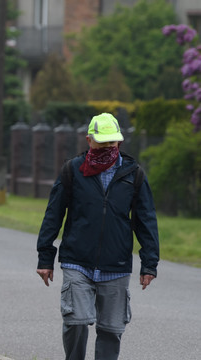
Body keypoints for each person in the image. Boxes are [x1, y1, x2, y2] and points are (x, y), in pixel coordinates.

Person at [36, 113, 159, 360]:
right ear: (89, 140)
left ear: (119, 142)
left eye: (111, 143)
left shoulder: (133, 174)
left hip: (117, 265)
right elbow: (54, 214)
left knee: (112, 330)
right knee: (76, 322)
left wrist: (149, 263)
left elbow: (145, 220)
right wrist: (45, 257)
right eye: (102, 143)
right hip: (77, 261)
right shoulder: (72, 170)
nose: (107, 148)